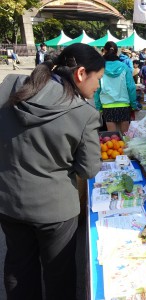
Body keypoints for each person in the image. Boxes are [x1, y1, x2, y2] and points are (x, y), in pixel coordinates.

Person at [0, 43, 105, 300]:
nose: (98, 87)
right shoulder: (84, 113)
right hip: (54, 210)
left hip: (8, 200)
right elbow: (89, 168)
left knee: (18, 267)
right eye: (98, 79)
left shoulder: (9, 86)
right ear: (81, 73)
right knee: (59, 274)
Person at [94, 41, 137, 134]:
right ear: (117, 52)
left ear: (104, 51)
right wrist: (133, 104)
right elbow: (131, 87)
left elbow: (97, 89)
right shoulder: (124, 67)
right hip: (124, 105)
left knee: (112, 139)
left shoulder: (100, 68)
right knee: (125, 136)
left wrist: (99, 107)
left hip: (107, 105)